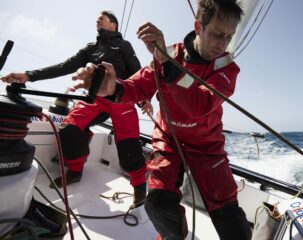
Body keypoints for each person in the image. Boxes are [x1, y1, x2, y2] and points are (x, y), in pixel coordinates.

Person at [70, 0, 252, 239]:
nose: (223, 43)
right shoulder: (169, 55)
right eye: (217, 33)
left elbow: (200, 104)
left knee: (230, 218)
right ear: (199, 26)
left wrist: (168, 65)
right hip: (169, 141)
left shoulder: (227, 69)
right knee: (157, 202)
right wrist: (113, 88)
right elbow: (137, 87)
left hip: (207, 145)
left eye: (229, 36)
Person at [1, 11, 149, 207]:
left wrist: (144, 99)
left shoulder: (124, 46)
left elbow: (137, 73)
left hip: (122, 99)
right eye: (97, 18)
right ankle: (75, 171)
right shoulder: (90, 48)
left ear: (114, 26)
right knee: (69, 130)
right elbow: (64, 66)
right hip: (93, 98)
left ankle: (140, 187)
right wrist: (29, 75)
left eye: (102, 18)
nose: (98, 19)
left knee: (128, 146)